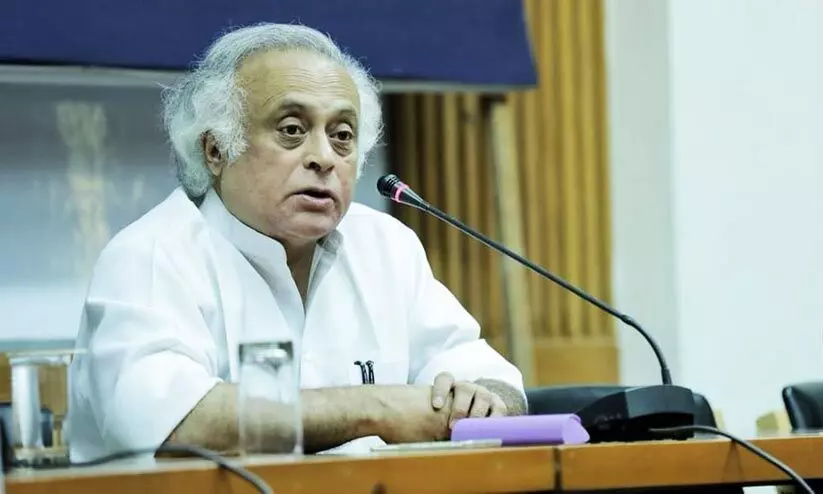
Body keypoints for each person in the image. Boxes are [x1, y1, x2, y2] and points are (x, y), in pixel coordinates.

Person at [66, 23, 526, 462]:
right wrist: (376, 408)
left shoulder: (386, 246)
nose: (324, 157)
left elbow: (494, 382)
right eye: (291, 130)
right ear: (215, 149)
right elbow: (167, 425)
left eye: (342, 136)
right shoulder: (151, 255)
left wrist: (487, 403)